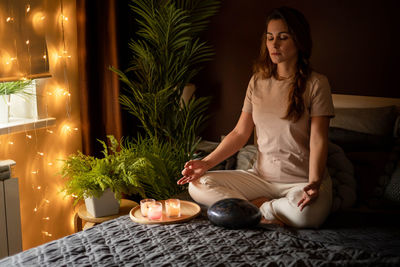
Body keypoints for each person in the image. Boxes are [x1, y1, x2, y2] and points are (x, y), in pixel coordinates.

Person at [177, 6, 335, 228]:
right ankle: (262, 208)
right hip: (261, 179)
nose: (274, 44)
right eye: (270, 37)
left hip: (301, 183)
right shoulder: (257, 82)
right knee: (197, 184)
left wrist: (315, 182)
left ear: (298, 41)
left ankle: (259, 208)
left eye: (283, 37)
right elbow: (240, 133)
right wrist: (205, 163)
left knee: (306, 216)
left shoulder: (317, 84)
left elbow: (318, 139)